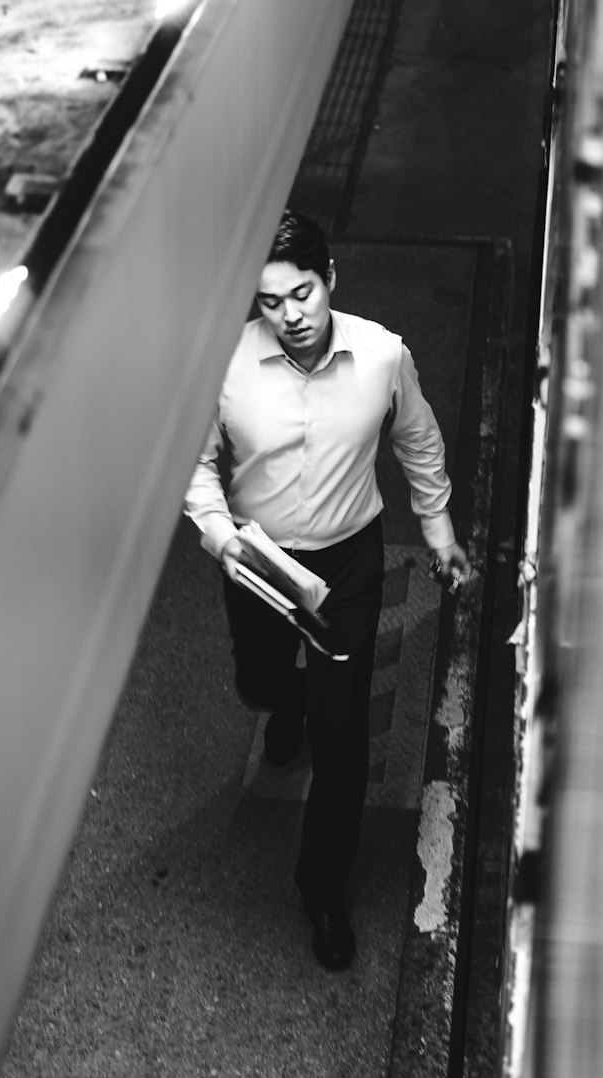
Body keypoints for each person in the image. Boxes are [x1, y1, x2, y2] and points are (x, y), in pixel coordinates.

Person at [184, 209, 470, 970]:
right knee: (261, 681)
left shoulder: (382, 356)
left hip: (347, 569)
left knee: (342, 746)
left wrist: (437, 530)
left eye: (303, 293)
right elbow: (196, 463)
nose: (291, 316)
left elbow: (419, 440)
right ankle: (287, 700)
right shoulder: (224, 365)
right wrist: (217, 533)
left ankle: (322, 889)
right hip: (258, 565)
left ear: (330, 277)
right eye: (271, 301)